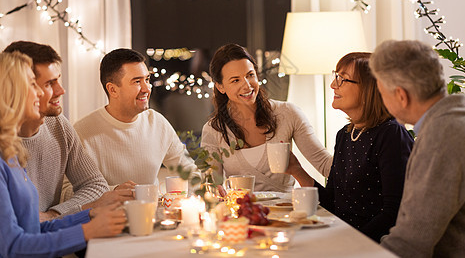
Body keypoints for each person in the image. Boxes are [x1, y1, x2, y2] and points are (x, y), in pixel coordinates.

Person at [0, 51, 126, 258]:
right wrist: (88, 230)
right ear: (10, 92)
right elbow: (12, 247)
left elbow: (35, 229)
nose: (41, 94)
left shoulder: (11, 154)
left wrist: (89, 214)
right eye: (33, 85)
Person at [369, 40, 465, 257]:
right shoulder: (458, 122)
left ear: (401, 96)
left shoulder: (442, 138)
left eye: (382, 93)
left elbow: (410, 244)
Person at [201, 43, 332, 192]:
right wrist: (213, 189)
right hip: (243, 213)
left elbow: (324, 165)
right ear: (220, 87)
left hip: (287, 212)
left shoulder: (287, 114)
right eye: (235, 80)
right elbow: (212, 184)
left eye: (250, 75)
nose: (247, 85)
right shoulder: (213, 130)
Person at [314, 52, 413, 242]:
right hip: (345, 239)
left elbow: (394, 212)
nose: (333, 85)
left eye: (343, 79)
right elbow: (333, 201)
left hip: (375, 245)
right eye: (336, 76)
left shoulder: (391, 134)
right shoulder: (344, 134)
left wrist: (350, 241)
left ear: (370, 88)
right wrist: (295, 170)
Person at [74, 48, 199, 189]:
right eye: (137, 82)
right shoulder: (82, 132)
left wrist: (209, 186)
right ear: (113, 90)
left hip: (152, 209)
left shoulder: (157, 122)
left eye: (147, 79)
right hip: (107, 211)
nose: (147, 88)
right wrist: (112, 191)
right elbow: (68, 191)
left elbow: (188, 171)